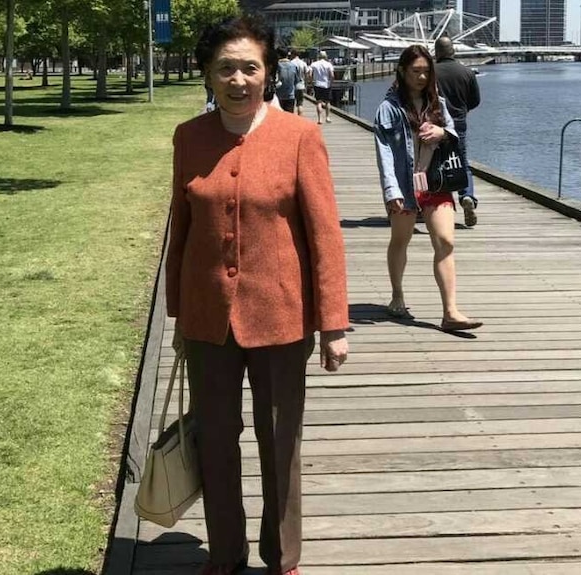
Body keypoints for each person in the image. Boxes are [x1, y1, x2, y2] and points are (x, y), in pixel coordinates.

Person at [167, 14, 350, 575]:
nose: (238, 79)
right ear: (207, 74)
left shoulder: (300, 136)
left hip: (281, 317)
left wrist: (334, 324)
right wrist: (179, 312)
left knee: (280, 444)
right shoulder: (189, 137)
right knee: (216, 443)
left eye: (250, 67)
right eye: (225, 68)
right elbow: (183, 226)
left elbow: (324, 235)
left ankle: (282, 557)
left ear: (268, 73)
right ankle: (224, 555)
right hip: (207, 320)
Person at [373, 44, 482, 333]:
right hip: (405, 184)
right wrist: (391, 190)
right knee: (401, 239)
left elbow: (454, 133)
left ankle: (450, 311)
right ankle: (397, 295)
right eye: (416, 71)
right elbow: (384, 151)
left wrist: (442, 131)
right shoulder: (389, 108)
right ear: (403, 72)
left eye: (426, 72)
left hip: (435, 180)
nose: (421, 77)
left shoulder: (438, 103)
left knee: (446, 241)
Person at [434, 36, 481, 227]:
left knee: (433, 163)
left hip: (435, 124)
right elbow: (475, 100)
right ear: (453, 51)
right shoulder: (467, 72)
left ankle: (433, 204)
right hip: (459, 122)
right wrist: (463, 111)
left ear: (436, 52)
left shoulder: (430, 72)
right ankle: (466, 195)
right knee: (461, 161)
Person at [309, 50, 335, 124]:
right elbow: (332, 75)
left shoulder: (313, 64)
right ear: (326, 57)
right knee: (327, 102)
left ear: (318, 56)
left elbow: (310, 74)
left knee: (319, 102)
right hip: (327, 84)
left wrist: (311, 82)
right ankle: (327, 117)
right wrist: (331, 82)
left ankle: (320, 119)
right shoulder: (329, 64)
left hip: (317, 84)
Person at [275, 48, 298, 113]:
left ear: (278, 55)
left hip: (278, 95)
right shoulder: (293, 66)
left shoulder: (276, 65)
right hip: (290, 95)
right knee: (289, 118)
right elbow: (296, 80)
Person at [289, 50, 309, 116]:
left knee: (292, 104)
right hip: (301, 85)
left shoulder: (291, 63)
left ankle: (293, 119)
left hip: (292, 86)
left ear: (293, 54)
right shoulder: (303, 63)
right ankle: (300, 118)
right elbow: (306, 75)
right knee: (300, 104)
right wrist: (306, 85)